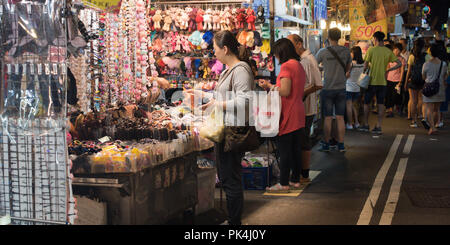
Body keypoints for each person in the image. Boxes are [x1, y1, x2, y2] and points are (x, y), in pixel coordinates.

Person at [187, 30, 255, 225]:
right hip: (224, 129)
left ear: (225, 49)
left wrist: (218, 104)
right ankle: (233, 220)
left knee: (230, 178)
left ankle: (235, 224)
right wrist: (202, 94)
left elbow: (245, 100)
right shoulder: (228, 70)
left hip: (232, 131)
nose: (213, 53)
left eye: (215, 49)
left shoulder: (240, 69)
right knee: (227, 177)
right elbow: (223, 98)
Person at [258, 38, 306, 192]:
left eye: (276, 54)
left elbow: (285, 91)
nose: (276, 57)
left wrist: (270, 86)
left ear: (281, 53)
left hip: (288, 113)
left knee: (285, 150)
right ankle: (295, 180)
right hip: (299, 110)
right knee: (295, 149)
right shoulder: (298, 65)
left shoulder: (286, 67)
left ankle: (283, 183)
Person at [287, 34, 322, 183]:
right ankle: (302, 173)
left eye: (291, 44)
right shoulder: (304, 60)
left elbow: (318, 84)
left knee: (303, 140)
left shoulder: (308, 60)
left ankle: (304, 174)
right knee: (302, 140)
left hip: (306, 107)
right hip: (305, 106)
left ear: (299, 44)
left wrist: (300, 93)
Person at [315, 28, 352, 152]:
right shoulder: (346, 51)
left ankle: (326, 144)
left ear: (328, 37)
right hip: (341, 88)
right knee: (340, 117)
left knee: (328, 118)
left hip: (328, 88)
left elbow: (315, 66)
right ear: (339, 37)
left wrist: (324, 68)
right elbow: (348, 68)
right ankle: (341, 144)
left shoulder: (323, 52)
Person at [360, 31, 401, 134]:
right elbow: (399, 63)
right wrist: (388, 70)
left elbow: (365, 65)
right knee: (380, 103)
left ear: (375, 39)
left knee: (366, 103)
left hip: (371, 81)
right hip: (383, 82)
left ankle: (365, 124)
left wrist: (365, 71)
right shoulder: (388, 51)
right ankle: (378, 126)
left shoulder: (371, 50)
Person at [422, 43, 448, 135]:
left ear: (431, 53)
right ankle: (435, 125)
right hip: (440, 88)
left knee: (429, 108)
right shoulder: (443, 64)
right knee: (436, 109)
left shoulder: (426, 64)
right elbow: (445, 75)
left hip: (429, 88)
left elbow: (423, 77)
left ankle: (432, 127)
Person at [405, 38, 427, 128]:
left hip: (413, 81)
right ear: (423, 46)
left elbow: (409, 71)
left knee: (413, 101)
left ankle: (414, 121)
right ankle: (421, 116)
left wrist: (406, 82)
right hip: (423, 80)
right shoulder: (427, 56)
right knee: (421, 100)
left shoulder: (411, 56)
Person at [385, 43, 406, 117]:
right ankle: (390, 110)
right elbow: (387, 69)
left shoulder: (402, 59)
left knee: (395, 96)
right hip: (389, 79)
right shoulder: (389, 58)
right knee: (389, 95)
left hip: (397, 80)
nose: (396, 52)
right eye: (395, 50)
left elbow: (402, 71)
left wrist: (400, 81)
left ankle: (395, 109)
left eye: (398, 50)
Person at [346, 46, 365, 129]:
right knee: (354, 105)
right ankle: (357, 122)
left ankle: (350, 124)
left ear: (354, 53)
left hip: (349, 87)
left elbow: (347, 75)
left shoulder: (351, 63)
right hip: (357, 88)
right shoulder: (363, 64)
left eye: (351, 52)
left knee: (349, 106)